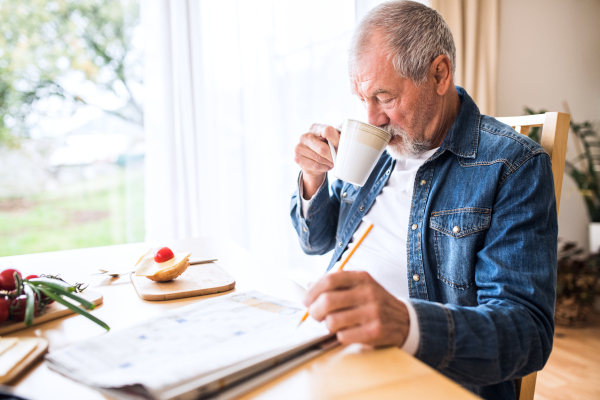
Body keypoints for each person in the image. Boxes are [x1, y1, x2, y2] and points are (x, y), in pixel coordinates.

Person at [290, 1, 557, 399]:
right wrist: (313, 178)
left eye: (385, 97)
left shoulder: (512, 165)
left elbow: (527, 335)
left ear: (439, 73)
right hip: (330, 349)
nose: (372, 118)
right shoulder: (376, 151)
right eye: (362, 97)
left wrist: (407, 323)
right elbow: (317, 242)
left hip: (423, 378)